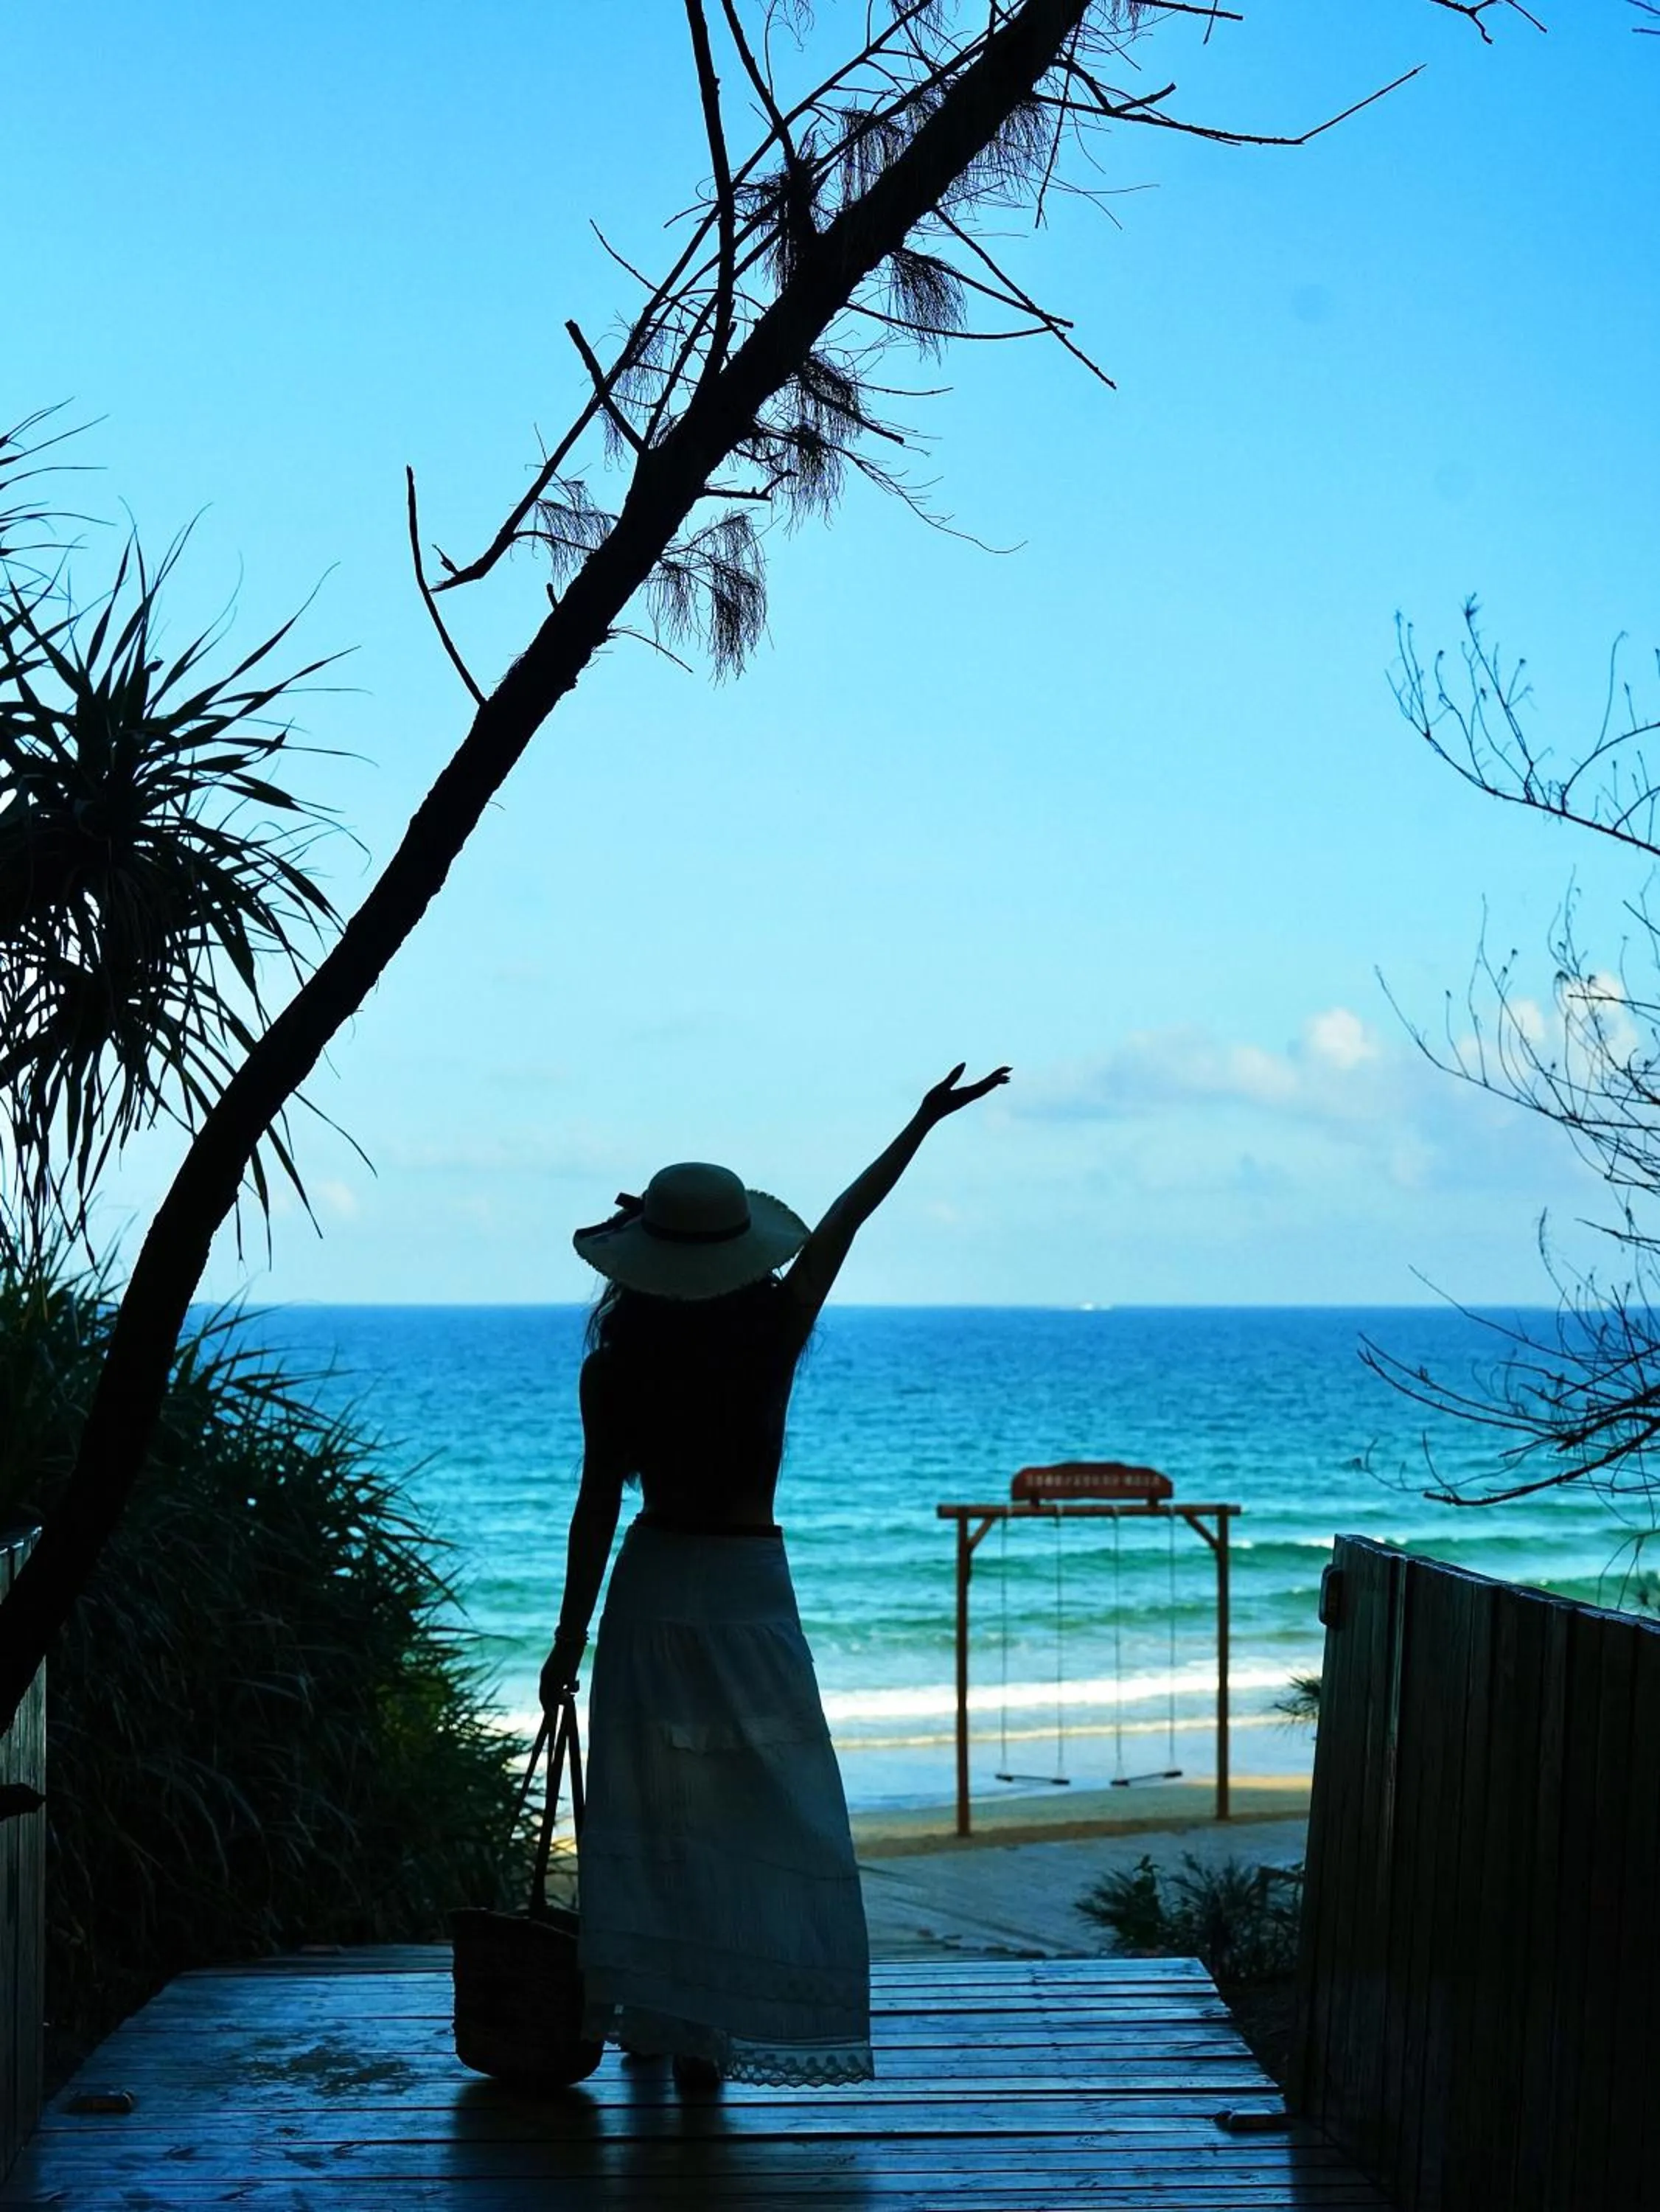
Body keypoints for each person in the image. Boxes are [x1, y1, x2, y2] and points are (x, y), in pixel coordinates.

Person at [541, 1062, 1010, 2092]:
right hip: (749, 1588)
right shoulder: (771, 1335)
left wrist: (564, 1643)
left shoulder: (615, 1363)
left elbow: (595, 1508)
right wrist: (919, 1124)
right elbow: (846, 1219)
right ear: (736, 1251)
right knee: (759, 1805)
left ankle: (659, 2022)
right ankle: (716, 2026)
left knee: (653, 1808)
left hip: (652, 1583)